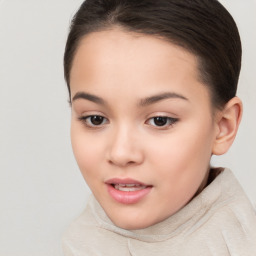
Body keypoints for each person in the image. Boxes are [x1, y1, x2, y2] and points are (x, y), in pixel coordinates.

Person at [62, 0, 256, 255]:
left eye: (160, 120)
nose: (121, 153)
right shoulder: (79, 240)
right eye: (95, 119)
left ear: (223, 126)